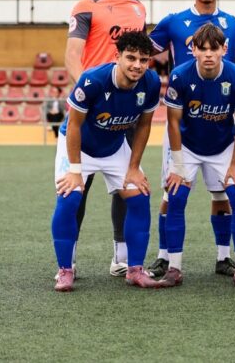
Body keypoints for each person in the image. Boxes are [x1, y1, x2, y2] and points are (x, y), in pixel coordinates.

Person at [146, 0, 235, 279]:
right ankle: (165, 257)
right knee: (170, 193)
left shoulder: (234, 24)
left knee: (222, 196)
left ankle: (223, 257)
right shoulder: (174, 22)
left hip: (220, 128)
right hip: (183, 126)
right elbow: (141, 50)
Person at [51, 31, 160, 292]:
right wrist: (76, 171)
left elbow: (144, 126)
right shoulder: (93, 80)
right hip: (78, 147)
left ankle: (134, 269)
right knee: (70, 198)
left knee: (140, 196)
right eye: (131, 57)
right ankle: (65, 270)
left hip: (114, 147)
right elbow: (74, 125)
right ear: (117, 56)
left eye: (143, 60)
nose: (137, 65)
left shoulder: (151, 82)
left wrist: (134, 168)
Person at [64, 0, 147, 277]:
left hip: (125, 110)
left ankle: (121, 256)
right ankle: (67, 260)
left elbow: (139, 55)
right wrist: (88, 93)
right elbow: (72, 54)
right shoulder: (87, 5)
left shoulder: (138, 9)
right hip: (92, 109)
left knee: (124, 183)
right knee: (78, 186)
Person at [158, 23, 235, 288]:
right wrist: (177, 165)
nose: (209, 54)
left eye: (214, 48)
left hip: (223, 146)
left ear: (225, 49)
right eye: (203, 49)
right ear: (193, 50)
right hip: (187, 146)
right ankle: (174, 268)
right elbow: (173, 123)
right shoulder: (179, 76)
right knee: (176, 196)